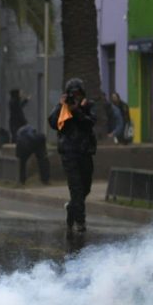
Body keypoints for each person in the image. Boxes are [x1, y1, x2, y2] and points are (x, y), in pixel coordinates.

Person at [48, 78, 96, 234]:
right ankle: (80, 222)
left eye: (78, 93)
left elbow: (89, 123)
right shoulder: (63, 107)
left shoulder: (88, 106)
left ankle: (72, 207)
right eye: (72, 94)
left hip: (85, 152)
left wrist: (77, 111)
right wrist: (62, 106)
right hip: (69, 153)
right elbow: (53, 123)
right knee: (76, 188)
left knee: (86, 188)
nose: (75, 97)